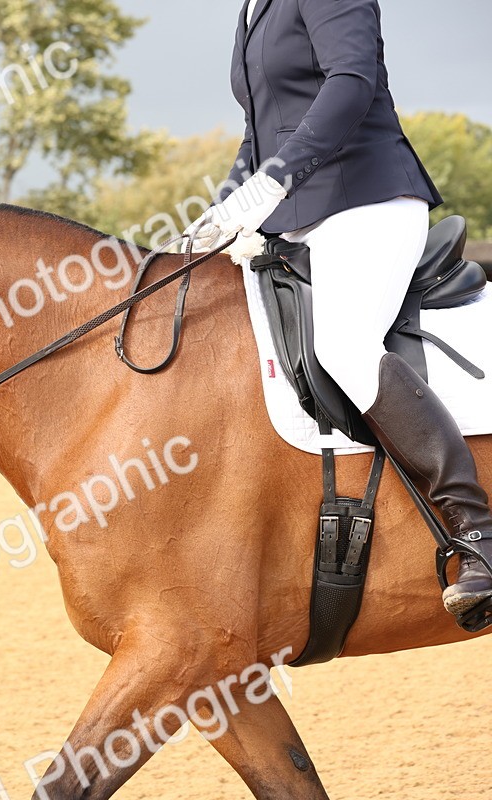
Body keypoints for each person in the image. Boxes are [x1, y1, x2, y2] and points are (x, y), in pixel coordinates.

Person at [187, 0, 491, 618]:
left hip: (369, 201)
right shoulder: (251, 11)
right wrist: (223, 210)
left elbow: (350, 83)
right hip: (296, 217)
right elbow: (258, 135)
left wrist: (274, 180)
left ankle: (479, 530)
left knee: (344, 347)